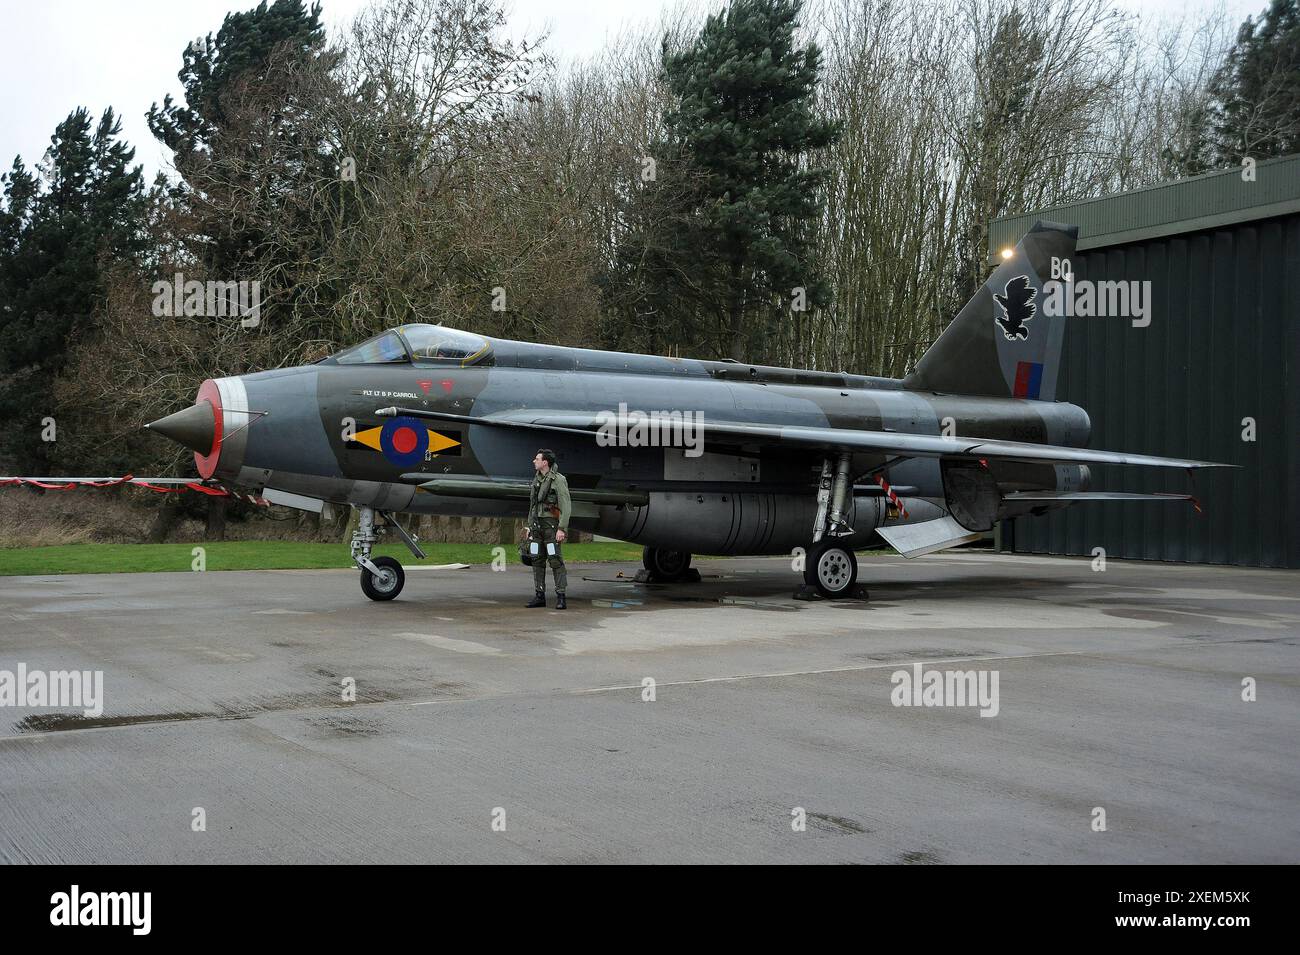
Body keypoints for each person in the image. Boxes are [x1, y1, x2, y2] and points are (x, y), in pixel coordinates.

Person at [525, 449, 571, 609]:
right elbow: (532, 505)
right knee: (536, 559)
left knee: (555, 560)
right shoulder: (537, 479)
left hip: (551, 527)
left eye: (537, 459)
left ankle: (561, 596)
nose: (534, 461)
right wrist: (529, 526)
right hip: (537, 527)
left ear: (545, 462)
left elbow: (566, 505)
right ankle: (539, 595)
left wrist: (562, 529)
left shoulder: (558, 480)